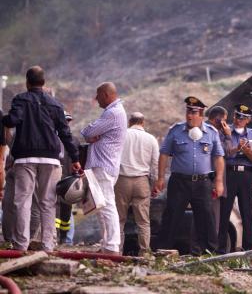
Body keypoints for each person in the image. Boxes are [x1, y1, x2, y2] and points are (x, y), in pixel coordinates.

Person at [2, 66, 81, 252]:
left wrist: (4, 119)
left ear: (27, 82)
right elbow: (65, 133)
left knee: (23, 200)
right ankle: (47, 245)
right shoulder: (55, 104)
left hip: (25, 158)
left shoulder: (20, 99)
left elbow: (12, 121)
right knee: (48, 203)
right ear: (43, 83)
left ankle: (21, 245)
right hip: (50, 159)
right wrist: (75, 158)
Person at [153, 96, 225, 254]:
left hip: (203, 182)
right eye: (188, 112)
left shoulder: (211, 133)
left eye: (193, 112)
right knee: (171, 216)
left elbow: (218, 157)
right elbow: (164, 154)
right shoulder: (176, 130)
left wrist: (219, 181)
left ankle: (208, 253)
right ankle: (163, 251)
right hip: (179, 182)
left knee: (206, 217)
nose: (189, 116)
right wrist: (160, 178)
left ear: (201, 114)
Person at [81, 82, 127, 255]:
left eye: (98, 95)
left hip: (103, 166)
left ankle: (112, 245)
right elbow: (90, 133)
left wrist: (91, 134)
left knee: (107, 205)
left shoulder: (112, 113)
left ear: (107, 95)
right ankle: (108, 243)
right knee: (102, 206)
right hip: (104, 165)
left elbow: (87, 132)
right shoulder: (115, 112)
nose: (96, 98)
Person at [217, 104, 252, 254]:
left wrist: (247, 150)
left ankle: (249, 250)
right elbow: (223, 153)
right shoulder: (224, 131)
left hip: (247, 175)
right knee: (224, 212)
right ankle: (221, 249)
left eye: (243, 118)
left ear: (248, 120)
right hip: (229, 173)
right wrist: (238, 148)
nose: (238, 120)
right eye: (237, 116)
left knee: (247, 212)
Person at [115, 112, 159, 255]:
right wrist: (154, 185)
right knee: (143, 221)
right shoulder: (151, 139)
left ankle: (117, 250)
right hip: (141, 182)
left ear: (129, 122)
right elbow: (155, 164)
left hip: (122, 181)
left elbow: (113, 158)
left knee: (119, 219)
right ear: (143, 122)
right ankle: (145, 252)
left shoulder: (122, 136)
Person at [205, 106, 235, 232]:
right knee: (212, 218)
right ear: (218, 119)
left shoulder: (215, 132)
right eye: (224, 120)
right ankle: (209, 248)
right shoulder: (212, 132)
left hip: (210, 179)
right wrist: (228, 136)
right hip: (211, 179)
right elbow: (226, 153)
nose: (225, 124)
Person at [55, 111, 80, 245]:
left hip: (68, 180)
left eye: (68, 121)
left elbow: (79, 159)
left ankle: (64, 238)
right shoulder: (54, 138)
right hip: (57, 178)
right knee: (56, 210)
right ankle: (58, 237)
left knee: (66, 211)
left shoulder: (73, 140)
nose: (67, 124)